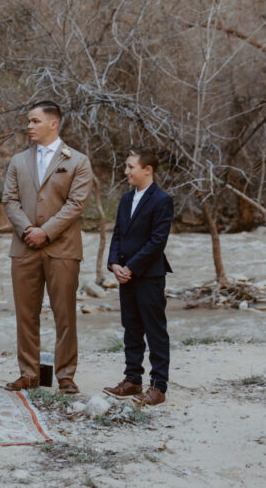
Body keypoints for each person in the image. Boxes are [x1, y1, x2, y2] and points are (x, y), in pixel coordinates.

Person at [1, 100, 92, 395]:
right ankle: (29, 374)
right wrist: (28, 230)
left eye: (35, 121)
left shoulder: (77, 161)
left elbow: (76, 204)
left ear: (54, 124)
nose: (29, 126)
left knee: (64, 314)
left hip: (62, 249)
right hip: (24, 247)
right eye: (28, 121)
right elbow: (9, 200)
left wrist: (46, 232)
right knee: (26, 314)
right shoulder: (17, 161)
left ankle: (65, 375)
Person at [103, 148, 174, 407]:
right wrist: (113, 264)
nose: (126, 172)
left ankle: (159, 386)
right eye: (126, 166)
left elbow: (157, 241)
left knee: (155, 330)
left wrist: (130, 267)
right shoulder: (125, 199)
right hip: (125, 275)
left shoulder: (162, 200)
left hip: (149, 275)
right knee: (131, 327)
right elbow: (118, 234)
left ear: (147, 170)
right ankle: (132, 379)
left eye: (131, 167)